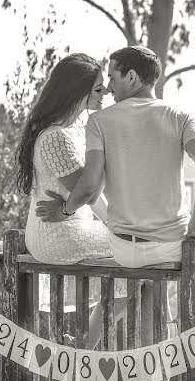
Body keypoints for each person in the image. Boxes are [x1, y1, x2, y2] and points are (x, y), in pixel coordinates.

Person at [36, 45, 195, 267]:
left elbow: (90, 185)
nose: (109, 88)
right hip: (171, 247)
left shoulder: (98, 122)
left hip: (124, 250)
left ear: (131, 77)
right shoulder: (181, 117)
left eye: (112, 78)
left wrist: (65, 210)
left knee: (150, 289)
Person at [14, 52, 128, 347]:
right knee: (138, 250)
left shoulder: (72, 129)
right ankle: (84, 346)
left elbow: (90, 194)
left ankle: (83, 345)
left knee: (132, 243)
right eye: (98, 88)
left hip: (58, 227)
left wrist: (113, 222)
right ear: (78, 91)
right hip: (58, 235)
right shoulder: (56, 137)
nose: (105, 93)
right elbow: (87, 191)